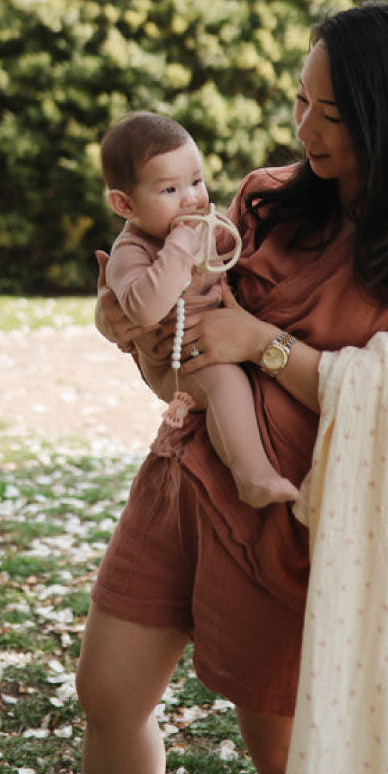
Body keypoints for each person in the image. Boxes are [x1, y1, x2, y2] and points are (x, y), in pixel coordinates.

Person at [75, 0, 388, 774]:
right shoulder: (268, 198)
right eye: (301, 101)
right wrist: (132, 327)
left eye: (333, 114)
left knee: (290, 765)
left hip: (296, 525)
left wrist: (262, 344)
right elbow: (182, 358)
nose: (306, 128)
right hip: (185, 474)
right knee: (105, 693)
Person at [100, 111, 299, 508]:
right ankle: (253, 477)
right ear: (125, 204)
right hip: (178, 362)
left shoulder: (198, 226)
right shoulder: (132, 251)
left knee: (244, 379)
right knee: (226, 382)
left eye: (196, 181)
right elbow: (144, 308)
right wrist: (179, 247)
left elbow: (235, 251)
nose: (192, 198)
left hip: (210, 337)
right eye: (169, 190)